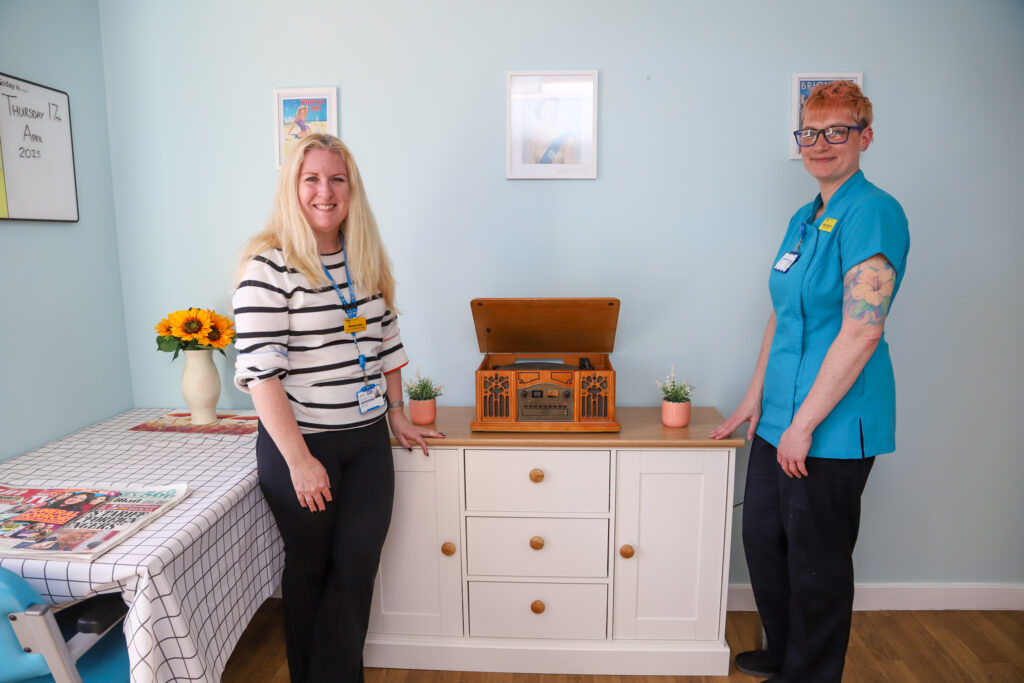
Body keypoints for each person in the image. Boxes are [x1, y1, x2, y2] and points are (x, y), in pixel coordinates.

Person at [710, 81, 909, 682]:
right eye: (810, 133)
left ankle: (810, 673)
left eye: (837, 131)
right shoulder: (806, 216)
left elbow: (862, 331)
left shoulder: (873, 211)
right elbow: (782, 314)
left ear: (864, 137)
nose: (821, 144)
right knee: (765, 544)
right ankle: (782, 653)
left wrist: (803, 425)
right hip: (780, 417)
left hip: (832, 425)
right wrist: (755, 400)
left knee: (816, 564)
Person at [232, 133, 442, 683]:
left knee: (356, 569)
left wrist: (396, 412)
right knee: (312, 571)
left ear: (352, 189)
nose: (324, 191)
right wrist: (300, 461)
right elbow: (261, 375)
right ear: (292, 188)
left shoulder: (365, 258)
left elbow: (387, 341)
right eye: (311, 179)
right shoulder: (268, 266)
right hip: (304, 445)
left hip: (367, 443)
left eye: (336, 179)